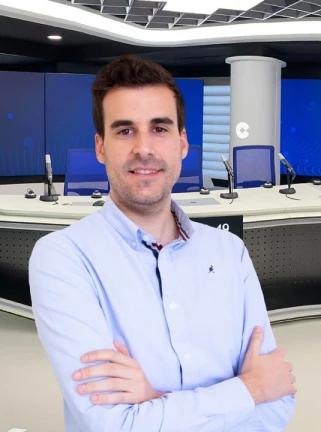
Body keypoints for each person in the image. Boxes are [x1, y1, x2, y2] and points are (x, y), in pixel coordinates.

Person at [28, 55, 296, 431]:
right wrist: (250, 389)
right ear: (100, 147)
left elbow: (278, 402)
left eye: (159, 128)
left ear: (182, 142)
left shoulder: (229, 252)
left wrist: (155, 401)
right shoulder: (64, 259)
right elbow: (114, 425)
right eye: (125, 130)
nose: (144, 148)